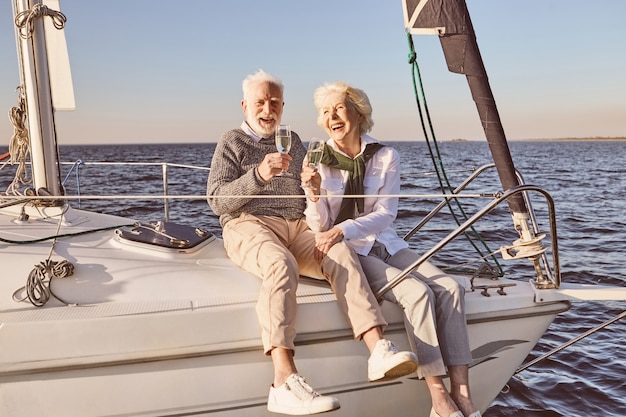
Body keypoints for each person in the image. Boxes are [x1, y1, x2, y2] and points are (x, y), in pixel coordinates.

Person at [206, 70, 418, 416]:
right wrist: (260, 175)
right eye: (260, 102)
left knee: (340, 251)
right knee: (280, 264)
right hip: (249, 224)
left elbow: (312, 198)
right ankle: (283, 382)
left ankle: (377, 349)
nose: (268, 109)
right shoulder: (232, 141)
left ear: (282, 106)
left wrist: (313, 186)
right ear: (246, 106)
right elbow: (217, 200)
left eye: (274, 102)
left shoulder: (294, 140)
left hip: (298, 225)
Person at [302, 80, 482, 417]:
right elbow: (319, 227)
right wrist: (312, 194)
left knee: (451, 288)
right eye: (325, 112)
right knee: (417, 294)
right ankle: (438, 396)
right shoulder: (318, 159)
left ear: (358, 112)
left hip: (385, 242)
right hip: (353, 251)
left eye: (339, 108)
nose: (332, 116)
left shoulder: (386, 156)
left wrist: (343, 228)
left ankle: (463, 392)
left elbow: (386, 214)